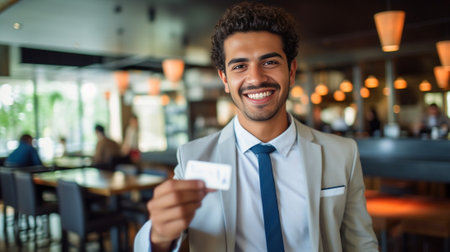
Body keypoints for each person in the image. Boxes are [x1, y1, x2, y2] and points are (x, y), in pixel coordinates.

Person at [135, 2, 378, 251]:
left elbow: (361, 243)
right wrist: (159, 236)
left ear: (291, 71)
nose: (256, 78)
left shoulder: (343, 153)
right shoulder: (194, 158)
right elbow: (154, 243)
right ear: (225, 79)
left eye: (270, 62)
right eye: (240, 66)